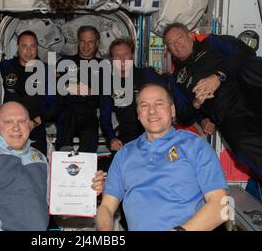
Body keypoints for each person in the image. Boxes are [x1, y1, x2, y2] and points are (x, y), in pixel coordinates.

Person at [163, 22, 262, 203]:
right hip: (232, 117)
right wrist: (197, 105)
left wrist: (218, 76)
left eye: (179, 38)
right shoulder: (176, 80)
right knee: (241, 147)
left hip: (252, 94)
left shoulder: (212, 43)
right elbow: (183, 116)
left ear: (190, 36)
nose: (177, 44)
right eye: (171, 43)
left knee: (249, 65)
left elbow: (245, 51)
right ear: (168, 49)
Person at [0, 101, 104, 231]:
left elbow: (58, 205)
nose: (16, 127)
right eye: (8, 121)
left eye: (22, 121)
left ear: (29, 125)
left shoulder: (39, 158)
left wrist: (87, 190)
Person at [96, 83, 228, 231]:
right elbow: (106, 208)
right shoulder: (123, 154)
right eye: (144, 105)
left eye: (159, 104)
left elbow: (220, 206)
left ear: (172, 110)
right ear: (138, 114)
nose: (152, 111)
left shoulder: (196, 146)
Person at [56, 26, 113, 153]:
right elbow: (50, 89)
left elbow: (106, 103)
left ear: (97, 43)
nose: (86, 46)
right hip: (66, 116)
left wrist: (111, 136)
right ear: (78, 41)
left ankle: (87, 164)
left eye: (90, 42)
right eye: (83, 41)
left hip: (88, 117)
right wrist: (65, 87)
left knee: (92, 127)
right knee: (66, 114)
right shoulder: (66, 62)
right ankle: (63, 155)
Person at [0, 31, 57, 156]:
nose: (28, 51)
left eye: (32, 46)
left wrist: (34, 123)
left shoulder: (47, 71)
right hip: (7, 129)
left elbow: (53, 105)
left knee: (36, 168)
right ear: (17, 47)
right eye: (24, 46)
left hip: (33, 128)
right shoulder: (5, 66)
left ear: (37, 48)